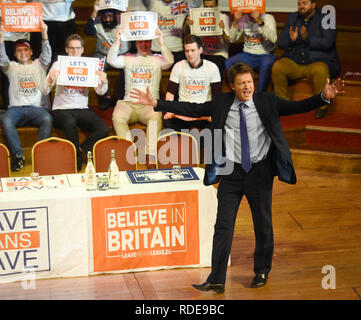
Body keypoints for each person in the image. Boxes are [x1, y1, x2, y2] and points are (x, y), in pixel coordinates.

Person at [130, 62, 344, 292]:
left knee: (263, 224)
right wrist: (156, 103)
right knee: (223, 225)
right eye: (241, 83)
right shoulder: (222, 103)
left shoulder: (267, 101)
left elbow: (298, 106)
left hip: (260, 172)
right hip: (231, 172)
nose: (247, 87)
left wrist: (324, 96)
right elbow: (192, 108)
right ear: (232, 86)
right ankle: (217, 278)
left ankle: (262, 270)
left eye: (249, 82)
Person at [107, 27, 174, 168]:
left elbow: (169, 61)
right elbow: (111, 60)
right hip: (128, 103)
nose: (143, 44)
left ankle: (150, 155)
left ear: (151, 42)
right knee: (117, 116)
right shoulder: (128, 59)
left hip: (148, 105)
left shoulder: (157, 59)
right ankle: (130, 151)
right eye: (140, 41)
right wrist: (117, 40)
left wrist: (161, 42)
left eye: (147, 41)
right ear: (135, 43)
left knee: (156, 116)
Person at [41, 34, 110, 171]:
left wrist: (104, 82)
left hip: (82, 109)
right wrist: (49, 80)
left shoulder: (89, 65)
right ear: (66, 49)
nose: (75, 51)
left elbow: (100, 92)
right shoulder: (58, 64)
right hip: (61, 109)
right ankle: (76, 158)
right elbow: (43, 91)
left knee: (104, 128)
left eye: (78, 48)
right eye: (71, 48)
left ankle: (82, 148)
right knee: (70, 122)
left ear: (83, 50)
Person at [271, 0, 340, 119]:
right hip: (296, 61)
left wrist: (308, 39)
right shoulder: (293, 17)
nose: (301, 6)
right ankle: (284, 104)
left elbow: (328, 42)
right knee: (278, 67)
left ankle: (322, 105)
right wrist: (291, 40)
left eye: (304, 3)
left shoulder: (326, 17)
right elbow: (281, 43)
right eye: (299, 4)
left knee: (320, 70)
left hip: (316, 61)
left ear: (313, 5)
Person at [0, 22, 52, 172]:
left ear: (31, 52)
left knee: (48, 119)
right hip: (16, 109)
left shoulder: (40, 65)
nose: (22, 53)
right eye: (19, 51)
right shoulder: (11, 67)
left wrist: (44, 34)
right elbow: (2, 57)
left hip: (36, 109)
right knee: (6, 119)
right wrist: (1, 37)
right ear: (15, 54)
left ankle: (40, 154)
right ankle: (18, 156)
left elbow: (47, 54)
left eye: (25, 50)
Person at [163, 34, 221, 133]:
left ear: (200, 50)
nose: (189, 54)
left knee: (216, 126)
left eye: (193, 50)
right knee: (168, 125)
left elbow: (217, 96)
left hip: (203, 112)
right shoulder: (178, 66)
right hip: (183, 112)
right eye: (187, 51)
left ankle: (195, 143)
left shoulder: (212, 67)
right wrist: (169, 110)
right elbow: (170, 93)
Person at [84, 0, 130, 109]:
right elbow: (88, 31)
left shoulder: (123, 23)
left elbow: (134, 26)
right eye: (105, 17)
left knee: (129, 66)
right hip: (102, 54)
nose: (108, 19)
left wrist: (129, 14)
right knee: (95, 64)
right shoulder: (98, 23)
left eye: (110, 16)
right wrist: (95, 10)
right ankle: (105, 97)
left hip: (121, 55)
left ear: (115, 16)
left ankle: (119, 97)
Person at [225, 10, 277, 92]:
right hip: (247, 55)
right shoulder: (243, 19)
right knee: (229, 62)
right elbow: (232, 39)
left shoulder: (268, 18)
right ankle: (237, 93)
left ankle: (258, 98)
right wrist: (236, 21)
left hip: (266, 55)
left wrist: (259, 21)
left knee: (266, 64)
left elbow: (273, 39)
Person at [183, 0, 230, 79]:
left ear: (217, 6)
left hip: (218, 54)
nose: (208, 9)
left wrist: (222, 32)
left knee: (215, 70)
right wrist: (187, 26)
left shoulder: (224, 18)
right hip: (202, 53)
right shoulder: (197, 16)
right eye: (206, 7)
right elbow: (186, 35)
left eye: (211, 7)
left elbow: (229, 42)